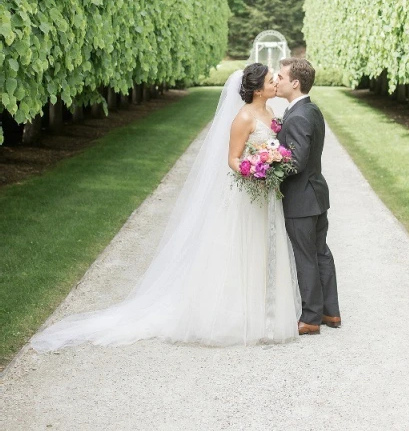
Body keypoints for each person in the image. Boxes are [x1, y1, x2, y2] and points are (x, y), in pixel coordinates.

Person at [30, 64, 301, 350]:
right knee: (239, 248)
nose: (276, 84)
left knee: (261, 248)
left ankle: (263, 313)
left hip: (264, 196)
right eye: (272, 81)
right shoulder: (243, 116)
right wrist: (254, 170)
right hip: (246, 194)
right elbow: (233, 159)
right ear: (258, 89)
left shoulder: (270, 113)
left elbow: (271, 146)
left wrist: (273, 162)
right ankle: (233, 316)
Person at [275, 58, 341, 335]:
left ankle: (311, 318)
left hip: (301, 198)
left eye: (280, 76)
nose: (276, 81)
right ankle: (330, 312)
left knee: (306, 256)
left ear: (295, 82)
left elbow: (297, 162)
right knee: (320, 252)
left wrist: (268, 168)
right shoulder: (311, 110)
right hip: (315, 193)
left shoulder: (299, 115)